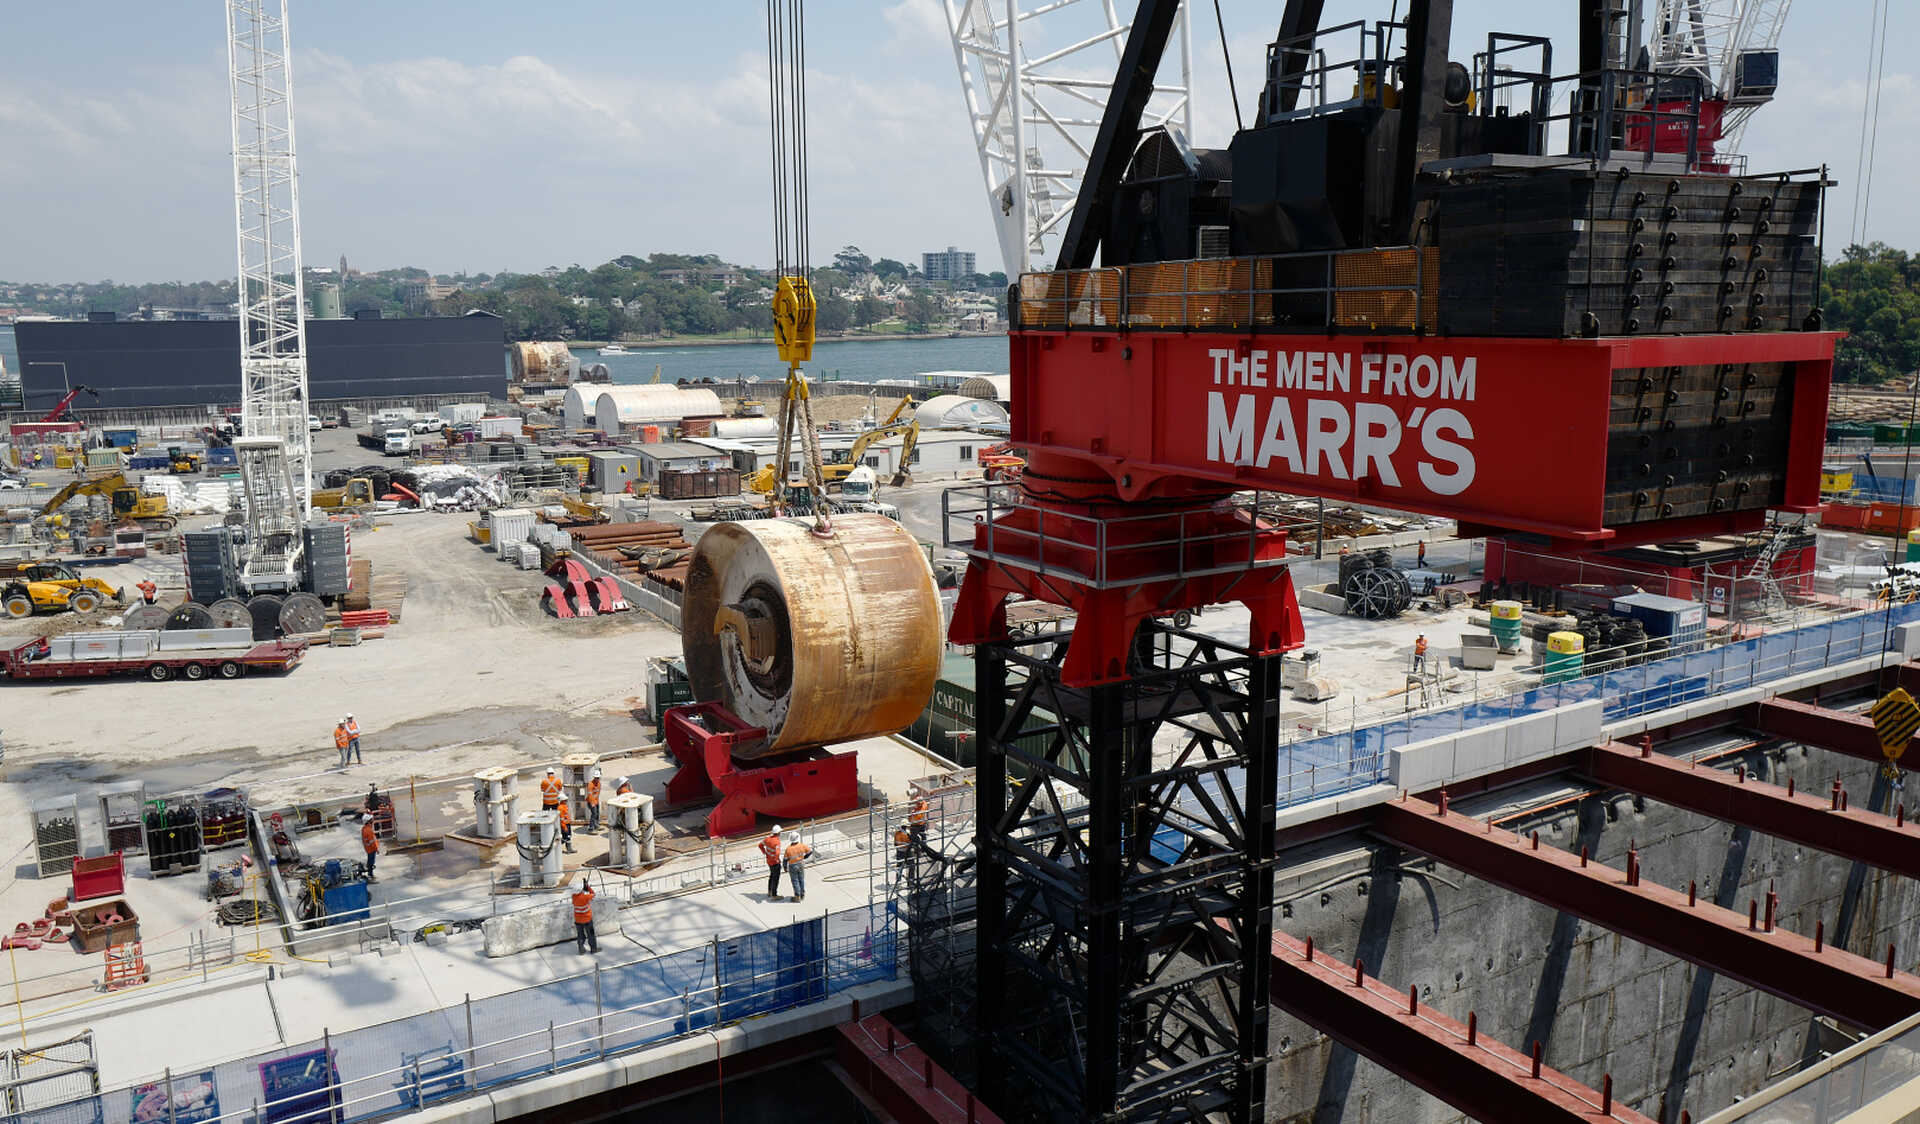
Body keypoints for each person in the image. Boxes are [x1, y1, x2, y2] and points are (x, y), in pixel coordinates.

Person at [782, 833, 812, 902]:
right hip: (801, 864)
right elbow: (810, 852)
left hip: (792, 866)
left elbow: (785, 859)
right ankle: (802, 894)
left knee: (795, 881)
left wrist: (785, 867)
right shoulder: (802, 846)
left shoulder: (788, 849)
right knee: (801, 879)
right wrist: (804, 857)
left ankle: (797, 896)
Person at [571, 876, 598, 954]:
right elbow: (593, 894)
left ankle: (581, 949)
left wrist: (584, 888)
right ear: (581, 889)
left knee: (580, 935)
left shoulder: (573, 897)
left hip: (578, 920)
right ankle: (593, 949)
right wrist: (588, 887)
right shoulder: (586, 896)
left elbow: (579, 895)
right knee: (591, 935)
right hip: (587, 920)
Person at [760, 824, 785, 900]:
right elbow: (777, 853)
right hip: (775, 863)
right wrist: (777, 860)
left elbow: (760, 845)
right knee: (775, 879)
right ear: (778, 833)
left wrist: (764, 852)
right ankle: (774, 895)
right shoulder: (777, 842)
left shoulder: (767, 839)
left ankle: (769, 891)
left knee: (771, 876)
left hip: (769, 861)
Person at [585, 768, 603, 832]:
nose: (597, 779)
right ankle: (591, 828)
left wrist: (596, 802)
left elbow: (597, 794)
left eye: (598, 778)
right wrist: (592, 803)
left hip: (596, 801)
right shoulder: (590, 784)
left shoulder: (599, 784)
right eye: (596, 778)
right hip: (591, 802)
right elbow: (590, 795)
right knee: (594, 814)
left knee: (597, 814)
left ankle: (596, 825)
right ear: (594, 777)